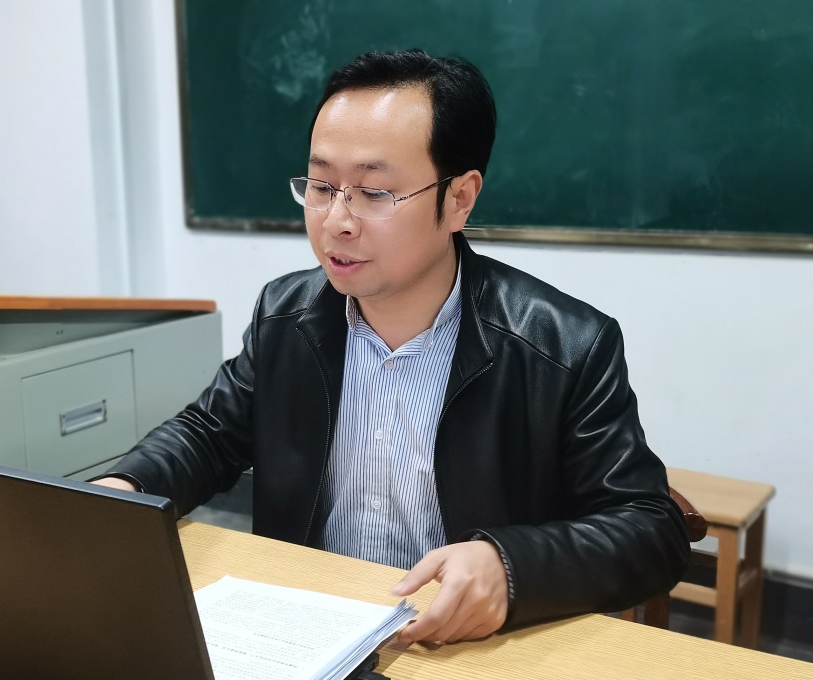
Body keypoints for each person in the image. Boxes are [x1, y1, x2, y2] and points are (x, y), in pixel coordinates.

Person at [94, 49, 689, 644]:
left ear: (459, 199)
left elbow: (650, 528)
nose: (337, 220)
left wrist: (509, 567)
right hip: (309, 631)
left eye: (375, 192)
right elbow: (208, 434)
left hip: (462, 645)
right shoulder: (286, 316)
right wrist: (124, 491)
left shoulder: (564, 346)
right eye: (322, 186)